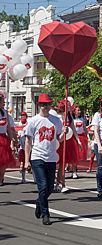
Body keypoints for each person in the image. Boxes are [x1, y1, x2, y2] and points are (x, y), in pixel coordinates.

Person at [24, 94, 66, 225]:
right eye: (43, 104)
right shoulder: (33, 121)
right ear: (39, 105)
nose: (46, 107)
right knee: (42, 186)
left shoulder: (56, 120)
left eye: (48, 104)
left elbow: (58, 138)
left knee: (49, 187)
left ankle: (39, 202)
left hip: (51, 157)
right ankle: (45, 214)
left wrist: (63, 133)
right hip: (37, 157)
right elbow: (28, 141)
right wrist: (26, 160)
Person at [55, 100, 83, 193]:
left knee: (63, 164)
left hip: (68, 141)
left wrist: (78, 141)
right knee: (58, 164)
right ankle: (59, 182)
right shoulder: (58, 117)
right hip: (60, 141)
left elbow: (73, 129)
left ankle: (61, 183)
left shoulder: (69, 117)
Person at [0, 91, 16, 186]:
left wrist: (12, 142)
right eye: (3, 102)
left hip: (3, 140)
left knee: (2, 170)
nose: (4, 104)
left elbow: (9, 129)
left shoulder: (5, 113)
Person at [72, 105, 89, 178]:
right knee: (73, 156)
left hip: (81, 137)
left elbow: (85, 129)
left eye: (79, 110)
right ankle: (73, 171)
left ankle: (75, 170)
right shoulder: (71, 119)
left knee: (78, 155)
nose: (79, 112)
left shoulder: (82, 119)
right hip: (73, 138)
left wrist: (88, 138)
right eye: (77, 110)